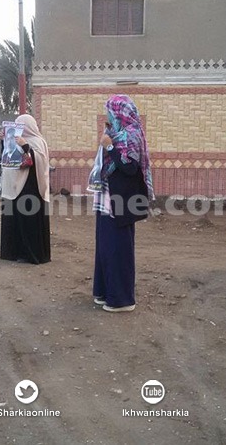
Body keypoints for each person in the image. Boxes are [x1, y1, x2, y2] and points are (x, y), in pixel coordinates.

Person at [90, 95, 154, 313]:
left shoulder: (132, 135)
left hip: (122, 202)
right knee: (105, 248)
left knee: (118, 250)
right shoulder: (115, 133)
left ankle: (122, 300)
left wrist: (110, 148)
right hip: (106, 199)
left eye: (110, 112)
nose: (107, 116)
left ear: (120, 113)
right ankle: (104, 292)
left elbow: (129, 168)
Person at [0, 114, 51, 264]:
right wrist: (4, 141)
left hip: (31, 187)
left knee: (29, 222)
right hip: (15, 186)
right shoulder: (15, 139)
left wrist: (25, 146)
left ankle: (30, 254)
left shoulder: (38, 141)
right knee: (15, 220)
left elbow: (40, 162)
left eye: (21, 125)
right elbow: (8, 157)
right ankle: (14, 252)